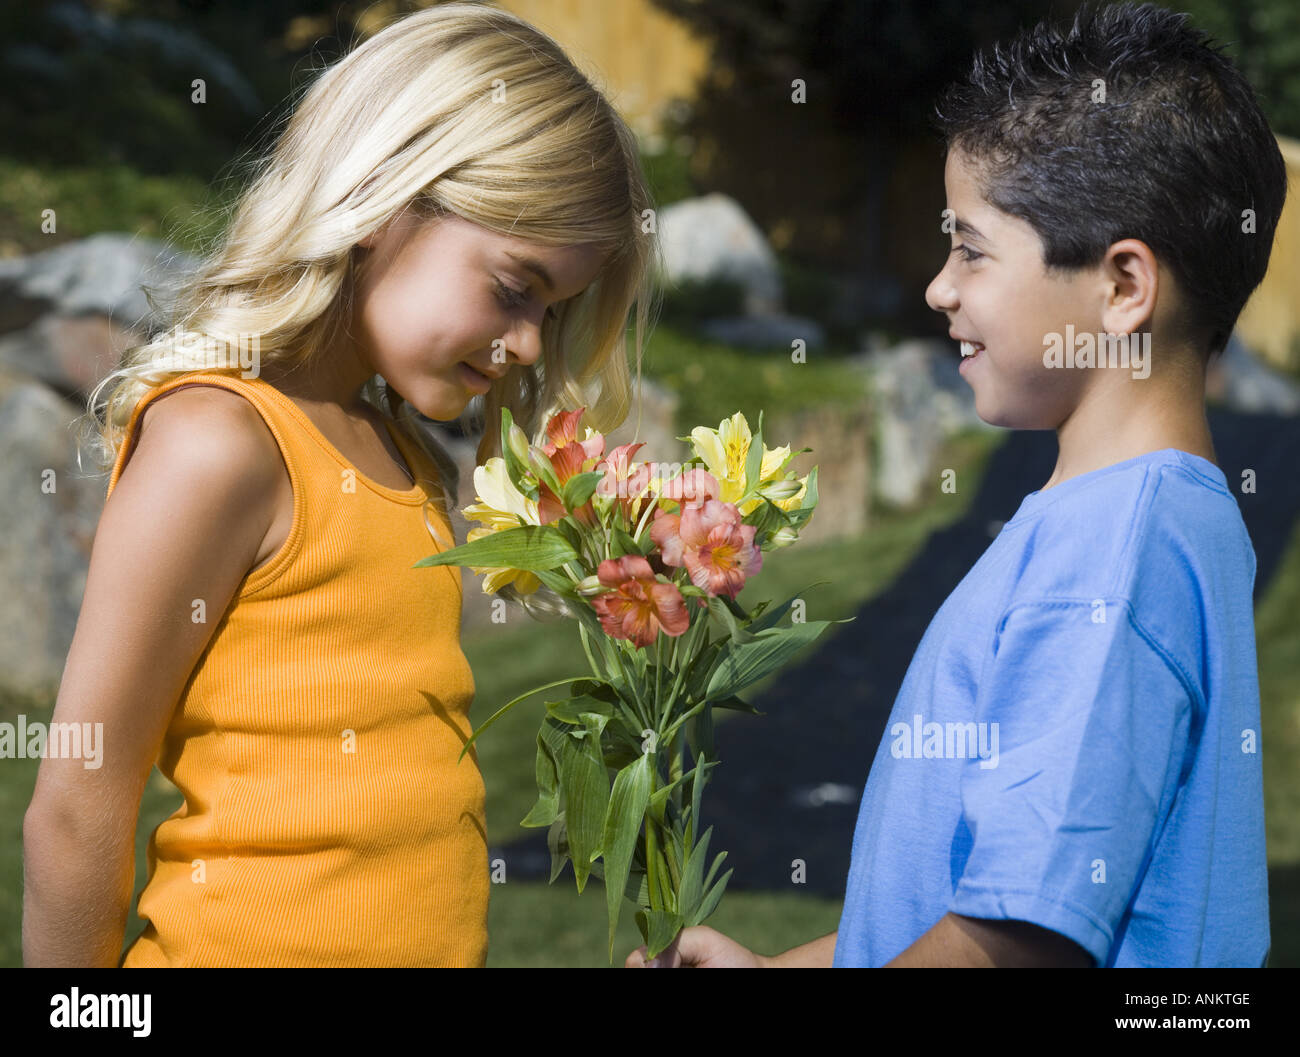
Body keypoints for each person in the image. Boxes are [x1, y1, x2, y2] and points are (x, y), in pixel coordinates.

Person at [628, 1, 1282, 968]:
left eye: (970, 249)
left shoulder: (1110, 551)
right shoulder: (1146, 520)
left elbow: (1015, 942)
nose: (939, 286)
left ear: (1122, 288)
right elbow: (977, 904)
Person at [23, 2, 657, 967]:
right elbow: (78, 801)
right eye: (514, 287)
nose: (529, 341)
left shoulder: (403, 452)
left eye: (553, 311)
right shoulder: (220, 441)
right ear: (383, 198)